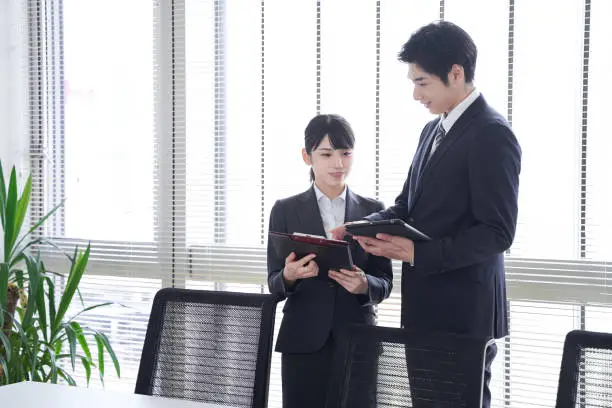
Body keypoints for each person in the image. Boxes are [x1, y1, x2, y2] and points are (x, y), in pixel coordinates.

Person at [331, 21, 521, 408]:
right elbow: (407, 206)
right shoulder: (432, 131)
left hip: (463, 316)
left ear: (456, 73)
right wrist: (359, 228)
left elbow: (497, 232)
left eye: (422, 82)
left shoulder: (491, 134)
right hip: (424, 309)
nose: (415, 94)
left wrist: (416, 253)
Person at [267, 113, 393, 408]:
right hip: (303, 340)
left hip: (357, 339)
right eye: (326, 154)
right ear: (306, 156)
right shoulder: (284, 210)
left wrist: (364, 285)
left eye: (345, 153)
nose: (338, 163)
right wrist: (289, 275)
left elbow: (384, 282)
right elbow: (274, 282)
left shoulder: (374, 210)